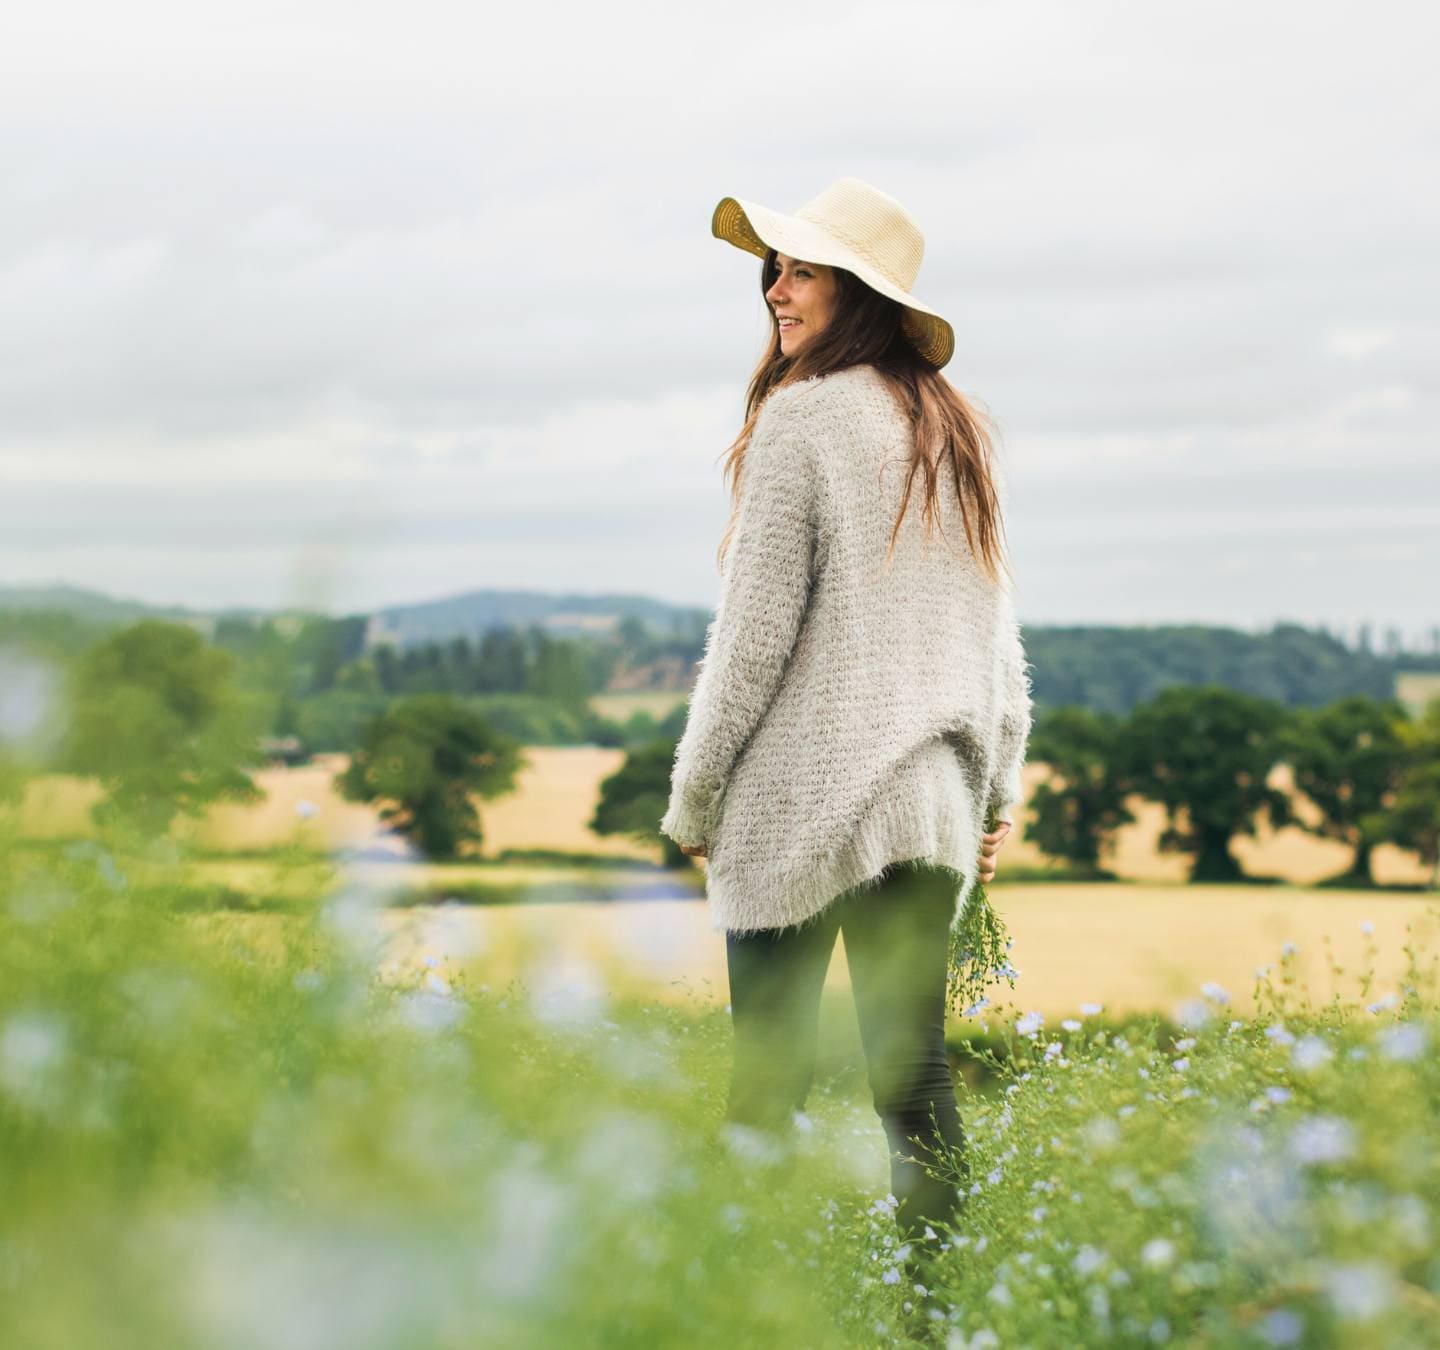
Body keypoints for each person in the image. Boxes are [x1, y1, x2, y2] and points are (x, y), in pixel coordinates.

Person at [659, 178, 1034, 1284]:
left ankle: (744, 1307)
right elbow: (995, 645)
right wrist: (992, 800)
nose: (776, 290)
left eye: (803, 271)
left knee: (766, 1086)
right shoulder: (953, 429)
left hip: (801, 799)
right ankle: (936, 1315)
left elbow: (752, 639)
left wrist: (694, 796)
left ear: (858, 294)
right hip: (928, 808)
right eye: (772, 270)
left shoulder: (804, 418)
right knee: (912, 1082)